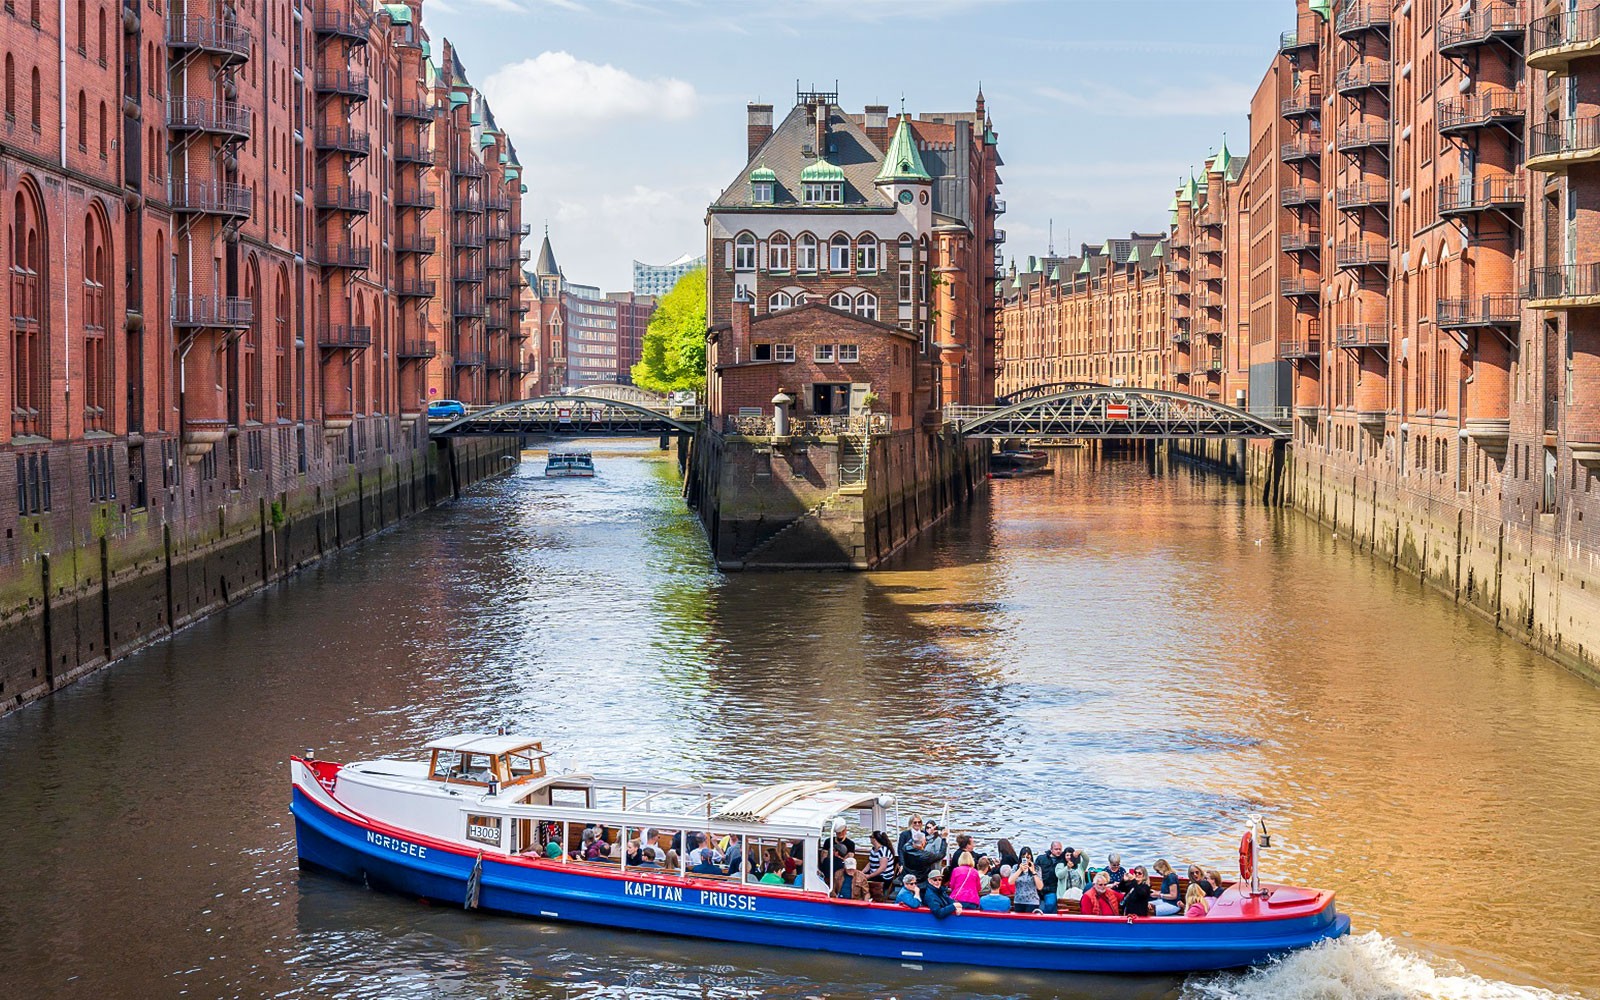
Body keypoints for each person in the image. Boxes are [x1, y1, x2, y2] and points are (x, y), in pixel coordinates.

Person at [822, 819, 856, 887]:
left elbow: (848, 860)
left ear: (846, 830)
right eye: (838, 832)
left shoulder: (850, 844)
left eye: (842, 831)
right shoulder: (828, 841)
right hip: (828, 867)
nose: (840, 833)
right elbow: (823, 858)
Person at [866, 831, 897, 900]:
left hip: (884, 876)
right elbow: (870, 863)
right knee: (860, 876)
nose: (870, 838)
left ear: (874, 839)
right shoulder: (873, 849)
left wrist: (869, 876)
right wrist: (862, 872)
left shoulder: (883, 851)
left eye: (871, 837)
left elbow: (882, 868)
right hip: (875, 873)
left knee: (863, 880)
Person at [1012, 847, 1044, 914]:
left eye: (1027, 857)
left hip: (1032, 901)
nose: (1025, 859)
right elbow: (1010, 881)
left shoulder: (1037, 868)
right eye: (1023, 857)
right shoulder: (1015, 867)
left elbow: (1040, 887)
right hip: (1018, 900)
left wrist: (1033, 872)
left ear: (1031, 858)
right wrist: (1020, 870)